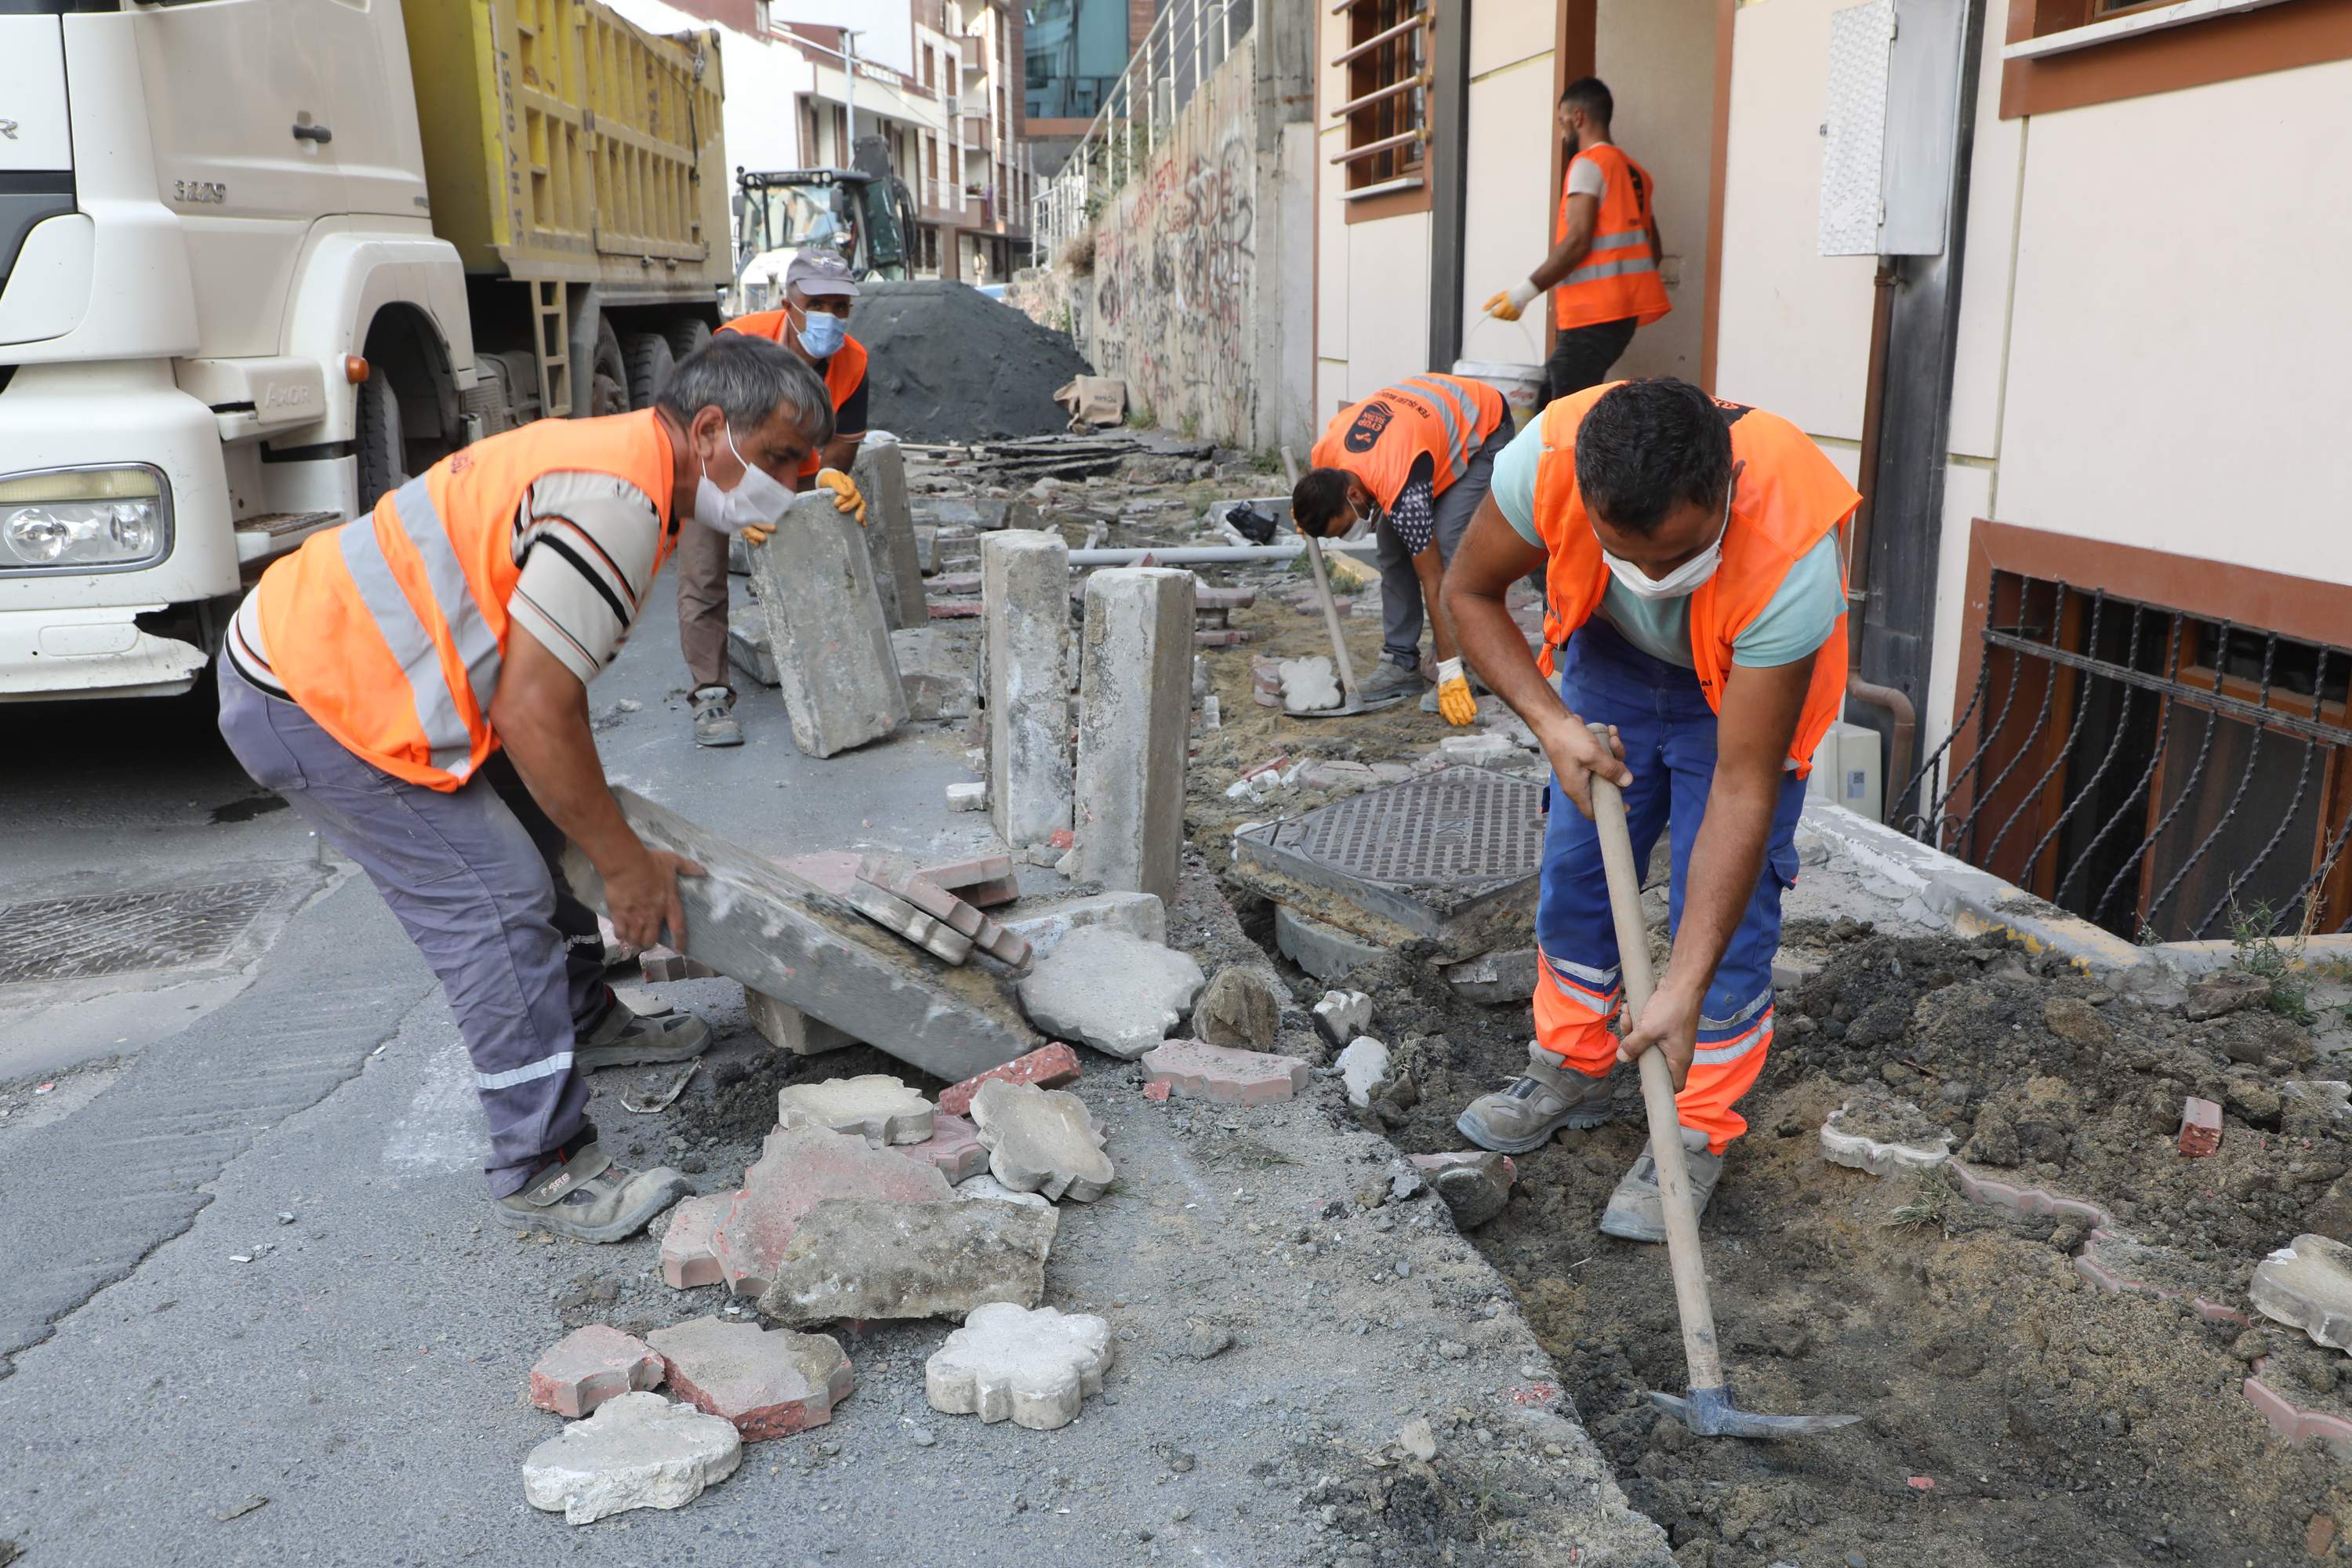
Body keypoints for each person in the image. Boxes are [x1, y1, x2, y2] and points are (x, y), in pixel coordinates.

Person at [216, 336, 837, 1242]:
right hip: (315, 696)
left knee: (558, 834)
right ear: (709, 430)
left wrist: (601, 840)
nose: (792, 477)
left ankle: (586, 1019)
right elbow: (538, 712)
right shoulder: (619, 499)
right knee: (498, 902)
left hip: (358, 665)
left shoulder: (630, 468)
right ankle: (540, 1162)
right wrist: (624, 867)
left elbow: (547, 693)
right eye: (780, 455)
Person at [1440, 377, 1857, 1241]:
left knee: (1729, 916)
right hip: (1611, 657)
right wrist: (1552, 721)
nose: (1654, 576)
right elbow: (1468, 593)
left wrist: (1681, 983)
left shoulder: (1791, 555)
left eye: (1676, 554)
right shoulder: (1545, 464)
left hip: (1741, 686)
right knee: (1580, 869)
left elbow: (1742, 788)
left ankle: (1697, 1122)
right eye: (1629, 552)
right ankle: (1571, 1062)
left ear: (1724, 497)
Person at [676, 252, 872, 746]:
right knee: (704, 571)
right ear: (789, 303)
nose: (830, 316)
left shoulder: (854, 361)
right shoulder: (738, 345)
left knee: (815, 554)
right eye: (817, 303)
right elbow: (705, 435)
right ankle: (710, 696)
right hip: (711, 466)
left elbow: (845, 438)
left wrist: (830, 474)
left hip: (790, 468)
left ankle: (823, 681)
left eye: (841, 306)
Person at [1289, 373, 1512, 721]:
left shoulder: (1401, 486)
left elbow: (1434, 580)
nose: (1347, 536)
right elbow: (1317, 492)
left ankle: (1466, 666)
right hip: (1419, 431)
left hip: (1481, 428)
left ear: (1355, 495)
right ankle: (1400, 663)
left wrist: (1448, 669)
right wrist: (1304, 514)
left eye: (1345, 527)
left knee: (1454, 553)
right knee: (1393, 551)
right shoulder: (1326, 454)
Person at [1482, 78, 1670, 407]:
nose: (1561, 134)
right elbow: (1653, 251)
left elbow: (1578, 240)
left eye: (1562, 122)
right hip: (1621, 319)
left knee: (1556, 412)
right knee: (1552, 398)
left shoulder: (1588, 164)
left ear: (1578, 118)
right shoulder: (1634, 171)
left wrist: (1521, 294)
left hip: (1591, 316)